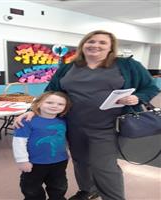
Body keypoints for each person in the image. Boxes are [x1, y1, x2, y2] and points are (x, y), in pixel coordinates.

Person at [13, 30, 160, 200]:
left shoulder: (127, 65)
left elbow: (151, 87)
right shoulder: (69, 67)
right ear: (83, 45)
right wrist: (32, 110)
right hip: (73, 125)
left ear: (111, 47)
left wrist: (137, 98)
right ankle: (88, 190)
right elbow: (50, 92)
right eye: (91, 41)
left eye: (102, 42)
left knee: (104, 166)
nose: (95, 45)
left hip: (108, 127)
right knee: (80, 161)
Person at [12, 91, 71, 200]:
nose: (54, 106)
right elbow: (19, 142)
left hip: (59, 162)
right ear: (38, 103)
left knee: (59, 186)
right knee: (31, 188)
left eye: (60, 104)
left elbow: (64, 138)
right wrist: (22, 160)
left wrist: (67, 152)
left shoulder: (63, 121)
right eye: (49, 102)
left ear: (65, 107)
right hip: (34, 163)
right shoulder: (27, 121)